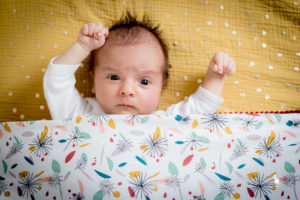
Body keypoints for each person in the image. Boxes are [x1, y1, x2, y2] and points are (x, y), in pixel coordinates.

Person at [43, 12, 235, 120]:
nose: (127, 91)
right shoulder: (79, 115)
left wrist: (215, 77)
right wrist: (82, 47)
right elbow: (56, 81)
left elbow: (200, 109)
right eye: (114, 77)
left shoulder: (164, 122)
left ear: (161, 88)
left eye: (144, 81)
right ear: (93, 82)